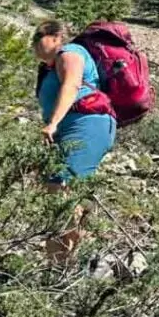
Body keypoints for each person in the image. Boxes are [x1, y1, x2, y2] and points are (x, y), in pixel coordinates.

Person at [32, 20, 116, 258]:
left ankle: (77, 261)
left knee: (62, 188)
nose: (34, 43)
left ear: (57, 37)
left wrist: (53, 123)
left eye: (39, 37)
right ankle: (57, 265)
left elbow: (72, 85)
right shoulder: (50, 68)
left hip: (87, 125)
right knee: (55, 190)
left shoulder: (71, 53)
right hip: (70, 129)